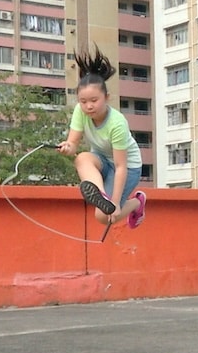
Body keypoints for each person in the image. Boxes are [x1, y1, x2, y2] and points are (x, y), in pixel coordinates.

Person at [57, 44, 146, 229]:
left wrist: (114, 203)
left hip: (128, 167)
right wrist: (67, 147)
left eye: (94, 101)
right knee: (81, 158)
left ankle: (138, 202)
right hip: (103, 160)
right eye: (83, 101)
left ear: (107, 98)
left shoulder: (117, 123)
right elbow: (74, 144)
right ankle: (100, 194)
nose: (88, 106)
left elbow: (121, 167)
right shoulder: (80, 112)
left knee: (102, 216)